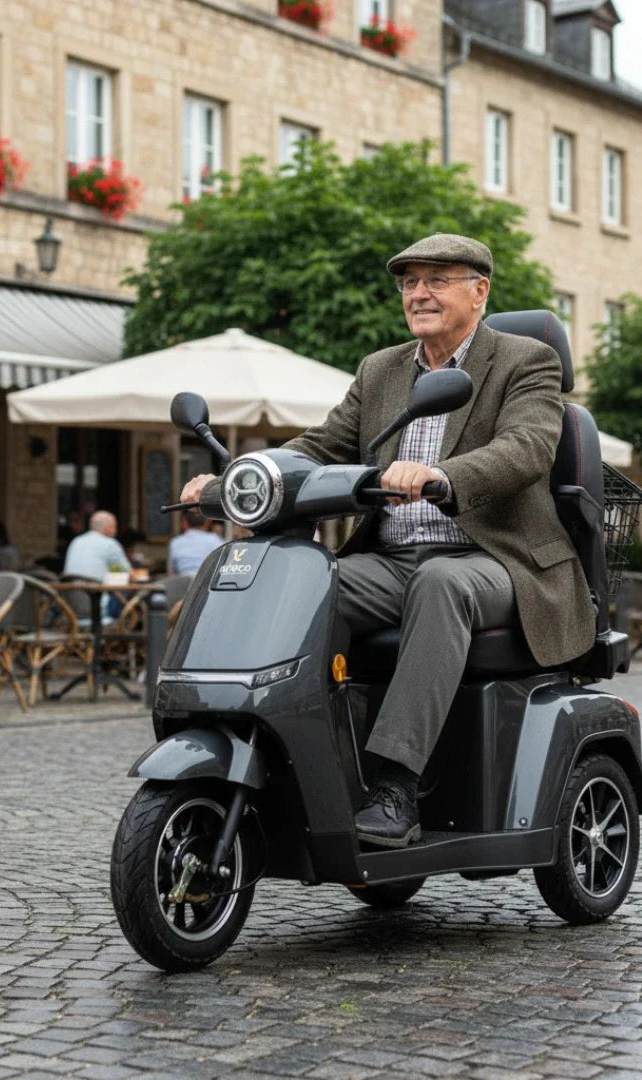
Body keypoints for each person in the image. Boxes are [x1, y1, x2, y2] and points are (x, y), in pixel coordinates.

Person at [180, 233, 594, 848]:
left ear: (479, 292)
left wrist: (443, 476)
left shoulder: (525, 361)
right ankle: (287, 752)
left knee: (441, 582)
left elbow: (526, 447)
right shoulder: (382, 370)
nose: (419, 293)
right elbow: (319, 446)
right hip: (390, 559)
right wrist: (242, 478)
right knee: (294, 581)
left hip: (497, 560)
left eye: (437, 279)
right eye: (409, 282)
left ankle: (397, 784)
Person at [62, 510, 130, 582]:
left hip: (70, 591)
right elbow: (128, 573)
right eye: (114, 527)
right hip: (97, 591)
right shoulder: (110, 544)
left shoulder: (76, 541)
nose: (115, 531)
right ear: (107, 528)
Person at [167, 509, 223, 575]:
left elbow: (171, 573)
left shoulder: (175, 542)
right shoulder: (216, 540)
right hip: (206, 583)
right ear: (208, 521)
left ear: (185, 521)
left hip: (183, 583)